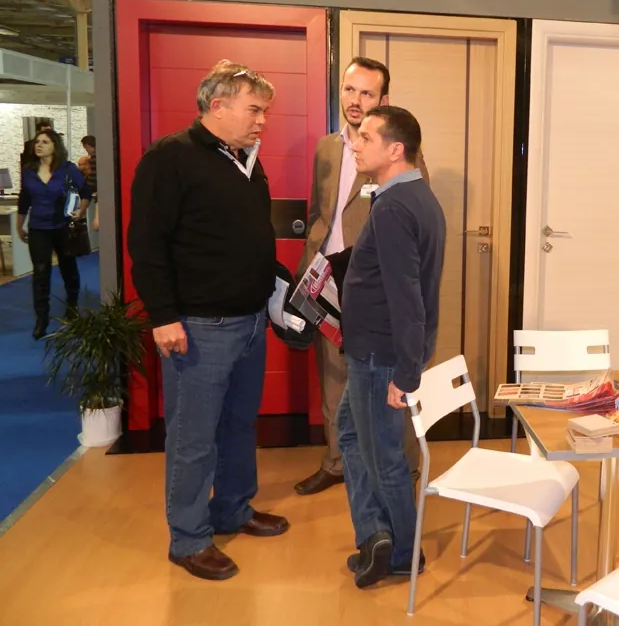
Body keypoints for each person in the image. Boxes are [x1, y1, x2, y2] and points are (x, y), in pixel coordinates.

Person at [128, 60, 288, 582]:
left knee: (239, 425)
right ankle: (189, 539)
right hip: (198, 327)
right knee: (193, 438)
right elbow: (146, 245)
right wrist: (164, 317)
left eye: (265, 112)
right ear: (217, 106)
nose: (263, 121)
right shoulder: (169, 158)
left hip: (250, 322)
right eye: (254, 110)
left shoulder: (245, 160)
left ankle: (233, 509)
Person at [293, 57, 429, 497]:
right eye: (349, 90)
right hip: (327, 284)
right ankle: (337, 463)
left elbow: (411, 221)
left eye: (367, 93)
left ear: (383, 99)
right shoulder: (326, 148)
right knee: (333, 378)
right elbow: (318, 213)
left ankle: (402, 468)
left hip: (373, 287)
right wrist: (307, 269)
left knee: (387, 382)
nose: (355, 100)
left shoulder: (397, 153)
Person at [339, 105, 445, 588]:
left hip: (380, 358)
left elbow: (408, 297)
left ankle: (402, 553)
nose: (355, 144)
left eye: (366, 137)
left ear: (395, 149)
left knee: (384, 456)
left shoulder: (395, 207)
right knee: (349, 436)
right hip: (377, 352)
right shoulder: (412, 196)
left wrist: (406, 373)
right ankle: (375, 533)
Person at [17, 129, 92, 339]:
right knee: (41, 273)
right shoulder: (29, 171)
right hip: (38, 228)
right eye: (37, 142)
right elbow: (24, 200)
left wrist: (81, 210)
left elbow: (85, 192)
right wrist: (19, 225)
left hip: (63, 226)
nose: (39, 145)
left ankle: (72, 307)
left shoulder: (67, 169)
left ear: (54, 146)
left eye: (45, 142)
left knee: (68, 268)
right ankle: (42, 318)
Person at [81, 135, 99, 232]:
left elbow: (94, 178)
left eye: (85, 148)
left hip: (95, 189)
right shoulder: (95, 156)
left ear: (88, 145)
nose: (86, 150)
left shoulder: (95, 156)